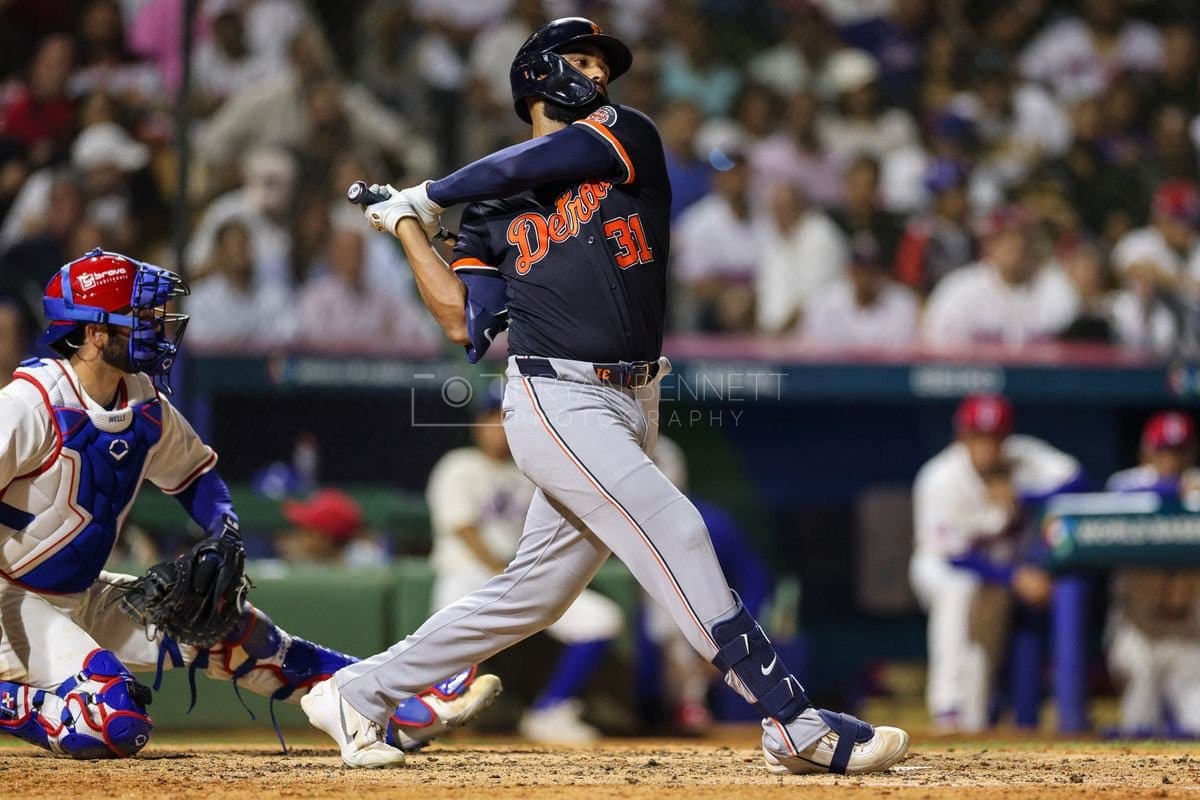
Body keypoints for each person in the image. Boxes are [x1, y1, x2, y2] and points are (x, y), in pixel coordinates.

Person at [303, 17, 909, 775]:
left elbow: (533, 161)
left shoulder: (624, 135)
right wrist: (407, 229)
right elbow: (465, 316)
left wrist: (429, 192)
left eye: (602, 64)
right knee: (678, 530)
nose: (596, 75)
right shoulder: (493, 208)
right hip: (557, 396)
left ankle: (358, 691)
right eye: (579, 59)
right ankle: (792, 719)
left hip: (634, 398)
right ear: (536, 75)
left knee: (536, 595)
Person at [0, 249, 500, 761]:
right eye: (139, 316)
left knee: (233, 631)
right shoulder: (28, 407)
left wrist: (225, 534)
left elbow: (196, 479)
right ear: (95, 334)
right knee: (112, 720)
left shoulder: (143, 402)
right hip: (10, 603)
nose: (155, 325)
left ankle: (394, 704)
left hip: (76, 594)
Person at [426, 387, 622, 744]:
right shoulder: (459, 466)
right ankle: (431, 712)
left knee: (601, 618)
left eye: (507, 417)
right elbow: (464, 530)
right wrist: (509, 574)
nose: (499, 426)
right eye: (492, 418)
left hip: (523, 578)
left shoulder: (534, 473)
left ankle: (551, 710)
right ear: (478, 426)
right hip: (469, 574)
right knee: (447, 618)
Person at [909, 394, 1082, 733]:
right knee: (958, 592)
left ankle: (971, 719)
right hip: (941, 566)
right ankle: (946, 707)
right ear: (963, 436)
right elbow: (957, 555)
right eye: (979, 436)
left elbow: (1078, 481)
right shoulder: (939, 477)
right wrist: (1016, 577)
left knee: (986, 638)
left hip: (998, 572)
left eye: (995, 436)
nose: (988, 445)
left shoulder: (1022, 455)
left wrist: (1025, 495)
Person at [1104, 411, 1200, 736]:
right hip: (1138, 631)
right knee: (1139, 723)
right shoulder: (1126, 484)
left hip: (1191, 634)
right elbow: (1119, 498)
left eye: (1178, 451)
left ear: (1191, 452)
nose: (1170, 460)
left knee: (1196, 722)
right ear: (1147, 452)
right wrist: (1176, 493)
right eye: (1163, 451)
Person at [277, 488, 390, 568]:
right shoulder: (302, 565)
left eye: (306, 531)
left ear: (324, 538)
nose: (297, 538)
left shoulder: (366, 567)